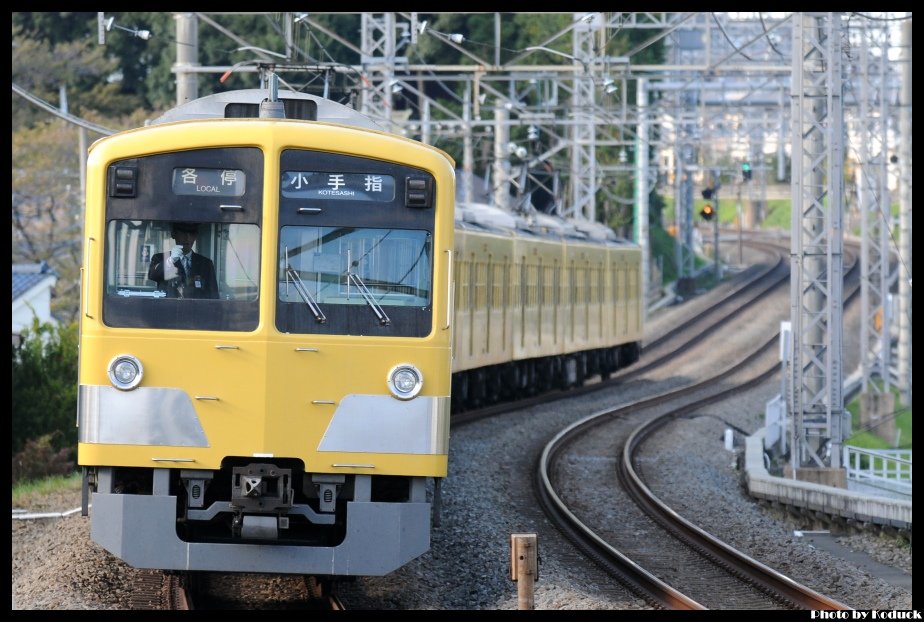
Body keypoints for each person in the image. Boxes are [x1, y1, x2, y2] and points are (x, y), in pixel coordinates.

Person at [148, 222, 219, 299]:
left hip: (197, 309)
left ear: (195, 236)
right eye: (182, 233)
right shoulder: (160, 258)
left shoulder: (206, 264)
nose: (187, 238)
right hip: (169, 308)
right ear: (173, 234)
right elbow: (152, 275)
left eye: (191, 233)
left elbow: (213, 295)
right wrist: (171, 260)